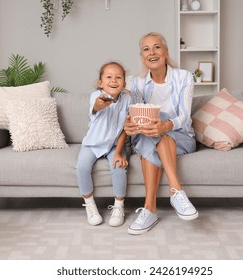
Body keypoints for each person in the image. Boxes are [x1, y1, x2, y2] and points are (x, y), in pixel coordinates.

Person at [124, 32, 198, 235]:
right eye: (146, 49)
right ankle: (175, 194)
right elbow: (128, 109)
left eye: (157, 47)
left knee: (159, 135)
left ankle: (152, 208)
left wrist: (165, 126)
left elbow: (184, 116)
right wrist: (128, 125)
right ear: (142, 57)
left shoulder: (184, 77)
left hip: (182, 137)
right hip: (148, 136)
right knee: (150, 137)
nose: (152, 52)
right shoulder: (135, 83)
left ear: (165, 52)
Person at [76, 62, 131, 227]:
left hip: (114, 145)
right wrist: (101, 103)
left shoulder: (127, 99)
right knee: (82, 168)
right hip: (92, 144)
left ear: (124, 83)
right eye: (109, 77)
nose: (114, 80)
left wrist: (119, 152)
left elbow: (125, 130)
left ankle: (119, 206)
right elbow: (96, 106)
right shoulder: (96, 96)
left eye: (118, 77)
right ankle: (90, 205)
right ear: (101, 83)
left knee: (119, 167)